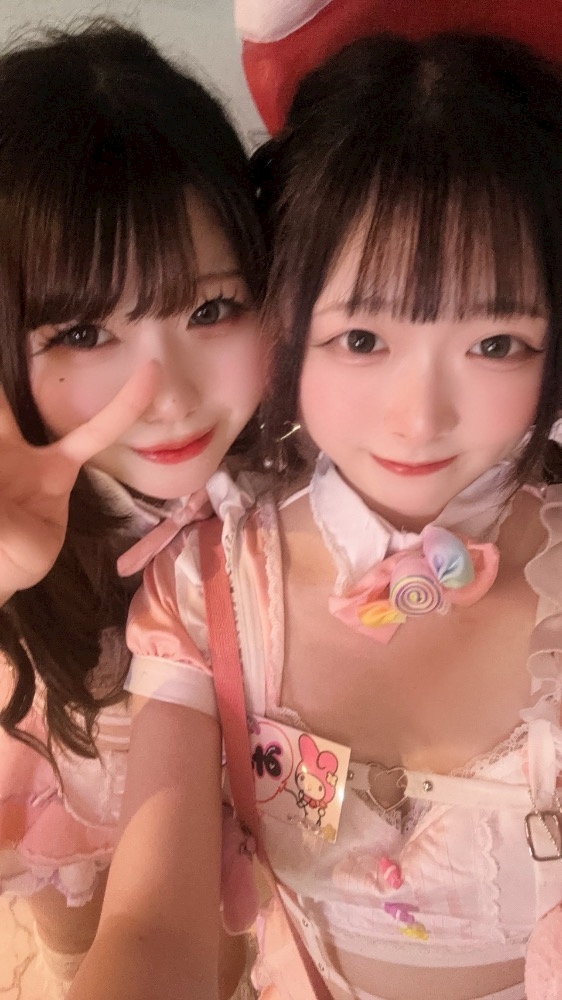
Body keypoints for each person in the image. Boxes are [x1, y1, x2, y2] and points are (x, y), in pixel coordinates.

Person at [71, 30, 562, 1000]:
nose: (418, 417)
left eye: (496, 341)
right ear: (283, 318)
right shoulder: (206, 586)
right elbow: (150, 925)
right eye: (363, 337)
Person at [0, 19, 266, 998]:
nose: (165, 396)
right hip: (55, 756)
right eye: (82, 331)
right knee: (70, 921)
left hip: (232, 793)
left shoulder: (323, 468)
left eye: (209, 309)